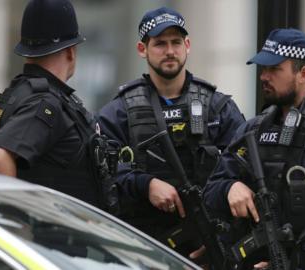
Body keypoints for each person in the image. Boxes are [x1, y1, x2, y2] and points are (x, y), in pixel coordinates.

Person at [203, 28, 305, 270]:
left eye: (275, 69)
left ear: (303, 74)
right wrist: (229, 187)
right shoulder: (253, 129)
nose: (264, 76)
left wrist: (296, 262)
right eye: (263, 68)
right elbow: (211, 191)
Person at [97, 6, 245, 259]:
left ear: (187, 45)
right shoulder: (119, 111)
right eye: (160, 43)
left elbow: (246, 167)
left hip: (210, 247)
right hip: (141, 248)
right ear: (142, 49)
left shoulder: (218, 108)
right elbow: (101, 173)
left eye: (176, 42)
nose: (169, 51)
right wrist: (146, 184)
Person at [0, 0, 112, 210]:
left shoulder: (21, 94)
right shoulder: (45, 102)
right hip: (56, 238)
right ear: (71, 51)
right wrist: (14, 221)